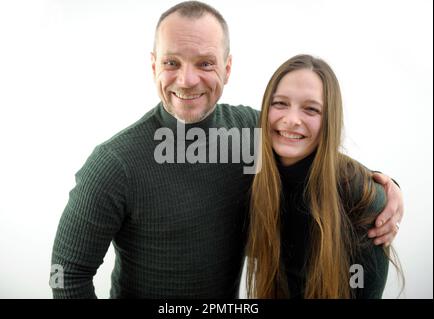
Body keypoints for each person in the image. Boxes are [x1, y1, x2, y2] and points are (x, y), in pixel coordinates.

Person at [50, 1, 403, 298]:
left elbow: (312, 146)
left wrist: (387, 189)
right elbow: (67, 274)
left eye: (205, 63)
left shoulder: (249, 131)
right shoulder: (115, 163)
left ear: (227, 68)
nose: (187, 80)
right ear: (154, 65)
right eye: (172, 62)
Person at [246, 54, 403, 299]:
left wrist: (387, 187)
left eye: (311, 109)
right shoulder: (251, 173)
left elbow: (363, 290)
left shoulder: (361, 197)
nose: (291, 120)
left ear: (329, 118)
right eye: (280, 103)